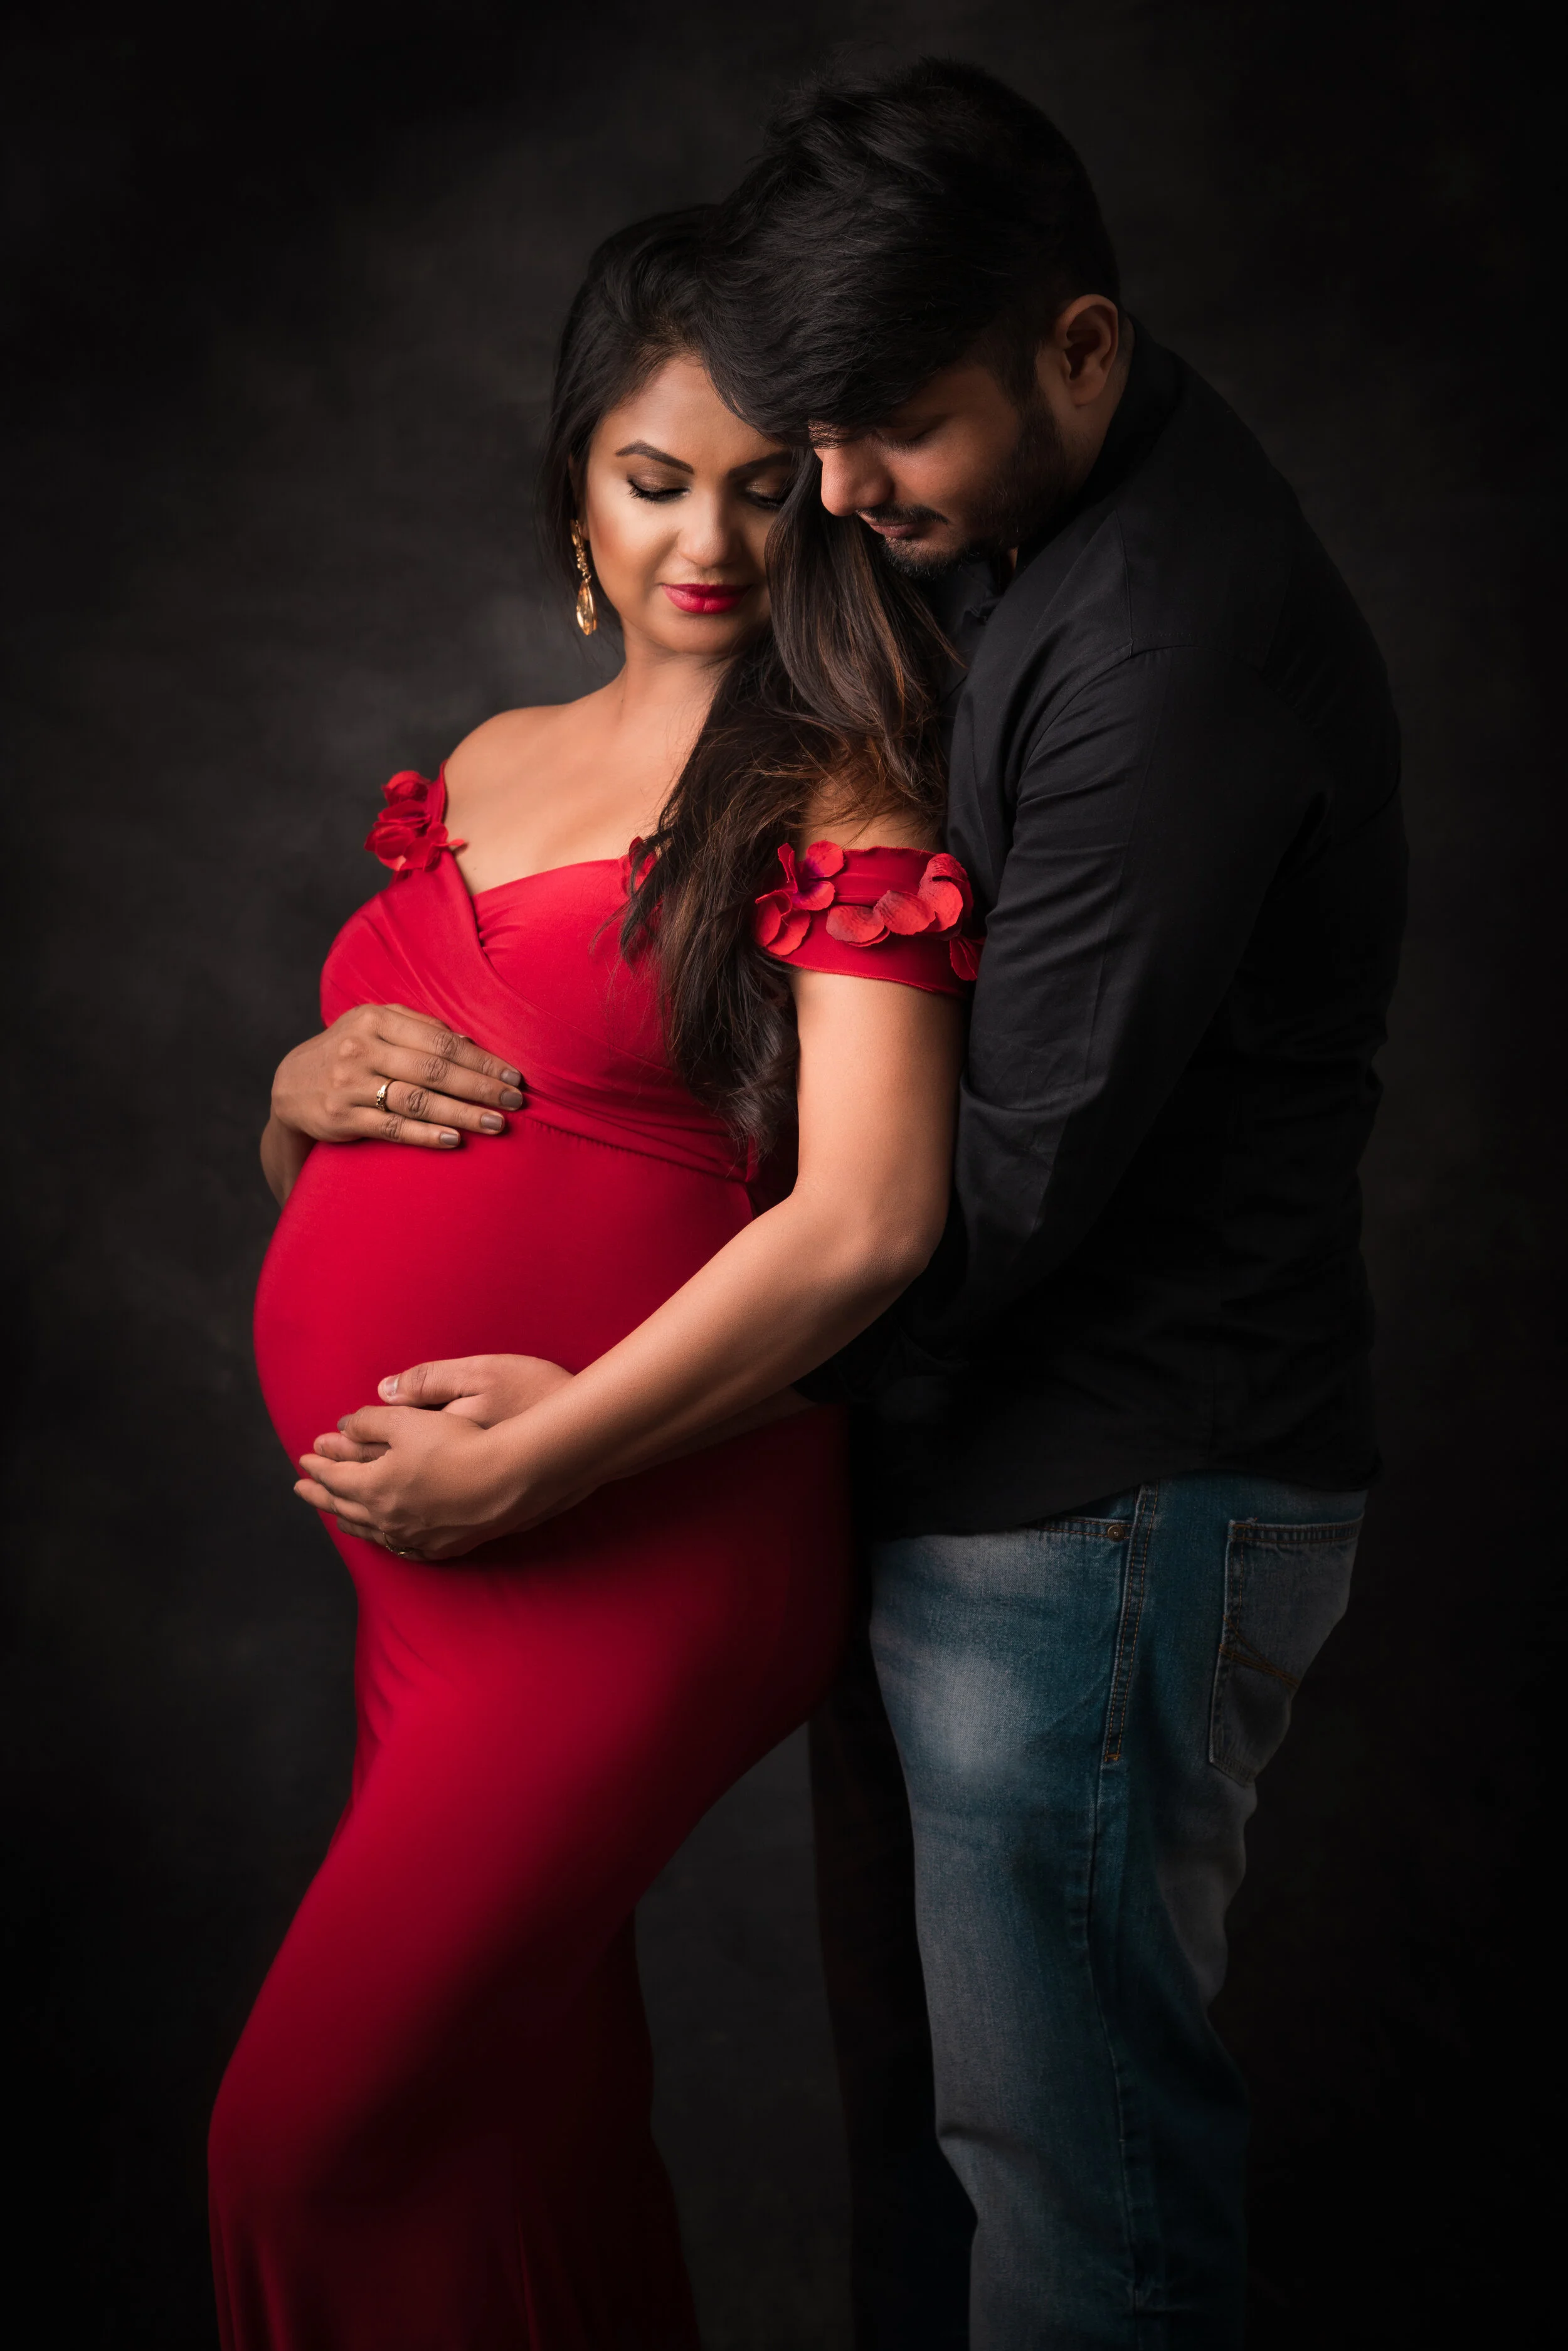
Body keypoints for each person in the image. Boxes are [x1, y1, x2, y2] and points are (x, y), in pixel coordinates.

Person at [685, 58, 1406, 2351]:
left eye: (890, 427)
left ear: (1078, 348)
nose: (833, 492)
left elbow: (987, 1184)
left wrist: (635, 1391)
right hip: (992, 1479)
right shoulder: (1002, 531)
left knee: (1073, 2206)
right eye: (818, 434)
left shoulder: (1173, 648)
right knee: (951, 2174)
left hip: (1109, 1512)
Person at [207, 208, 980, 2349]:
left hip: (634, 1539)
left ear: (825, 498)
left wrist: (539, 1461)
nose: (705, 541)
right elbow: (373, 1150)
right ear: (577, 485)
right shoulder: (477, 759)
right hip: (427, 1571)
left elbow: (870, 1217)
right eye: (654, 481)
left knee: (300, 2145)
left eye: (762, 485)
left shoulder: (837, 788)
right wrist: (292, 1091)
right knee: (515, 2124)